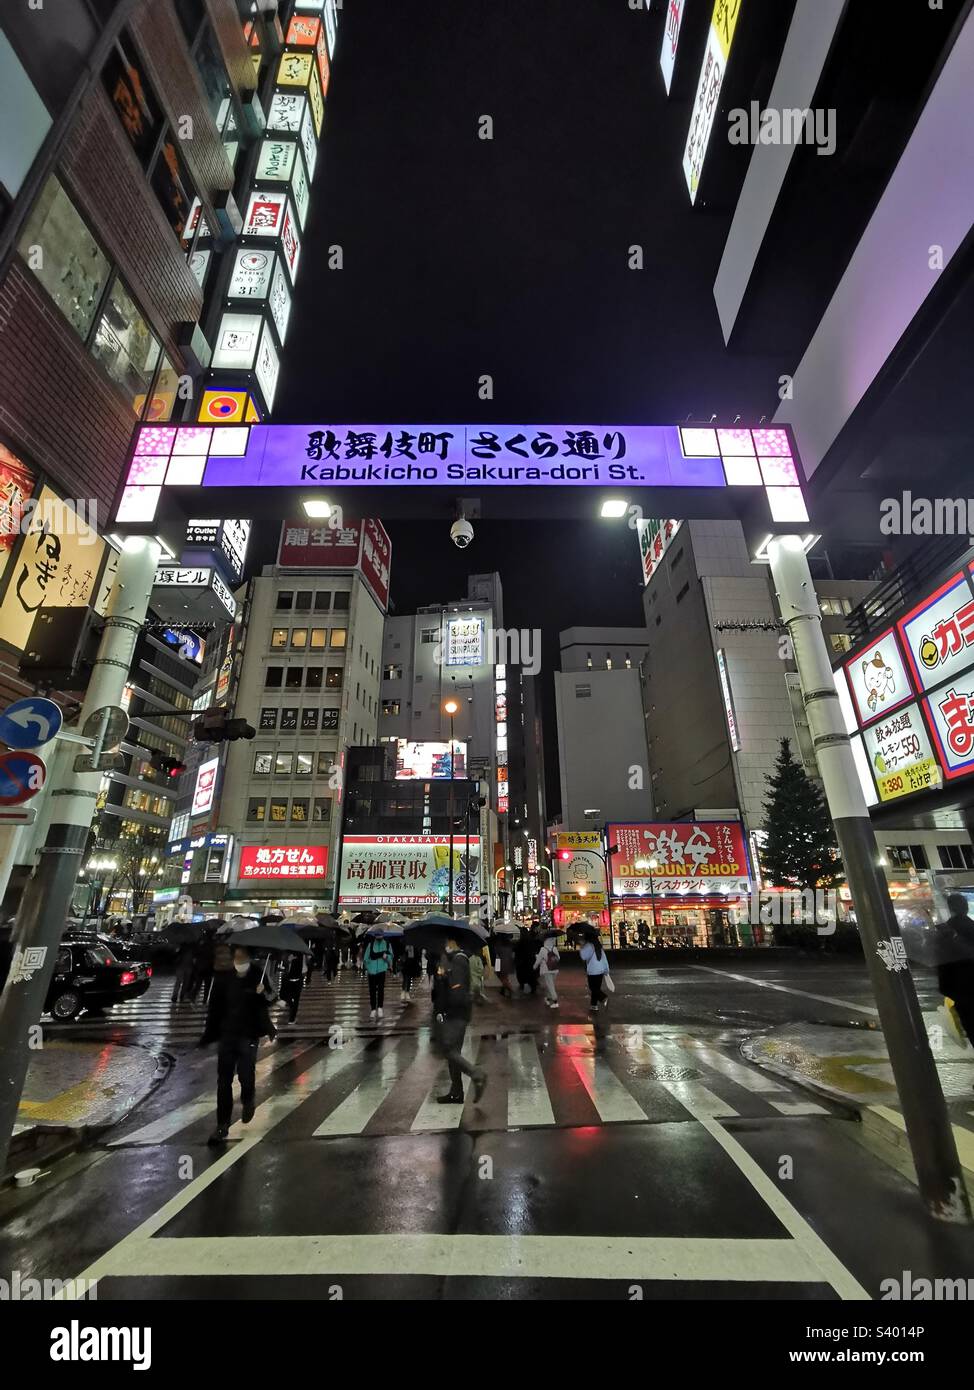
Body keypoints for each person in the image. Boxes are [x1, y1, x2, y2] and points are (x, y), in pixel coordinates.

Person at [198, 945, 275, 1145]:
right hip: (227, 1034)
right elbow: (214, 1008)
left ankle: (248, 1100)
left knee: (246, 1075)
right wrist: (208, 1035)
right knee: (223, 1082)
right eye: (237, 955)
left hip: (248, 1034)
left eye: (243, 955)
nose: (239, 958)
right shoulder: (224, 977)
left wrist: (262, 992)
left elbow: (271, 998)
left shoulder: (257, 974)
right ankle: (222, 1125)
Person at [434, 937, 488, 1105]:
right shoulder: (455, 959)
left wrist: (443, 980)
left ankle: (476, 1074)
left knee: (449, 1050)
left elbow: (456, 991)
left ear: (452, 943)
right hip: (458, 1012)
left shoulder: (458, 961)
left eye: (446, 942)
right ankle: (456, 1092)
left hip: (456, 1013)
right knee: (452, 1053)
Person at [937, 894, 974, 1054]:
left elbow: (942, 963)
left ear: (950, 909)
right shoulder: (972, 927)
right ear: (966, 908)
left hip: (959, 988)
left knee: (971, 1027)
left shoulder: (943, 932)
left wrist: (946, 989)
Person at [363, 931, 393, 1019]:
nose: (378, 937)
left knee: (380, 990)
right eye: (377, 935)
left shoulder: (387, 944)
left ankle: (380, 1007)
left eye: (380, 935)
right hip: (371, 971)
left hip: (381, 970)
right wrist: (368, 967)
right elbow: (366, 958)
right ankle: (373, 1009)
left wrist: (386, 958)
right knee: (372, 990)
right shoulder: (371, 944)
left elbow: (391, 956)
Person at [579, 933, 611, 1010]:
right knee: (596, 988)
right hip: (600, 970)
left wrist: (582, 947)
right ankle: (594, 1005)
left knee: (593, 988)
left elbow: (583, 956)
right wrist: (606, 970)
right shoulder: (598, 946)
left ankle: (603, 997)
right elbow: (604, 959)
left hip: (593, 970)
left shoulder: (589, 946)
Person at [280, 950, 307, 1024]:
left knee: (295, 999)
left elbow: (303, 968)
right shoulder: (289, 953)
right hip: (290, 980)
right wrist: (288, 961)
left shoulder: (299, 954)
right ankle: (291, 1011)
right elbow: (283, 966)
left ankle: (292, 1018)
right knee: (287, 997)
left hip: (295, 980)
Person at [535, 934, 560, 1009]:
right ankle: (548, 999)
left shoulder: (543, 949)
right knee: (550, 985)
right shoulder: (554, 948)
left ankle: (555, 1001)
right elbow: (558, 958)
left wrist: (534, 966)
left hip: (546, 971)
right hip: (555, 970)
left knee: (550, 986)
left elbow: (538, 960)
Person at [495, 933, 516, 998]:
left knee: (501, 976)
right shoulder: (510, 944)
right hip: (508, 962)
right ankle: (503, 989)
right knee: (505, 977)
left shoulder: (499, 945)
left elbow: (497, 952)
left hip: (500, 962)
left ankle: (509, 988)